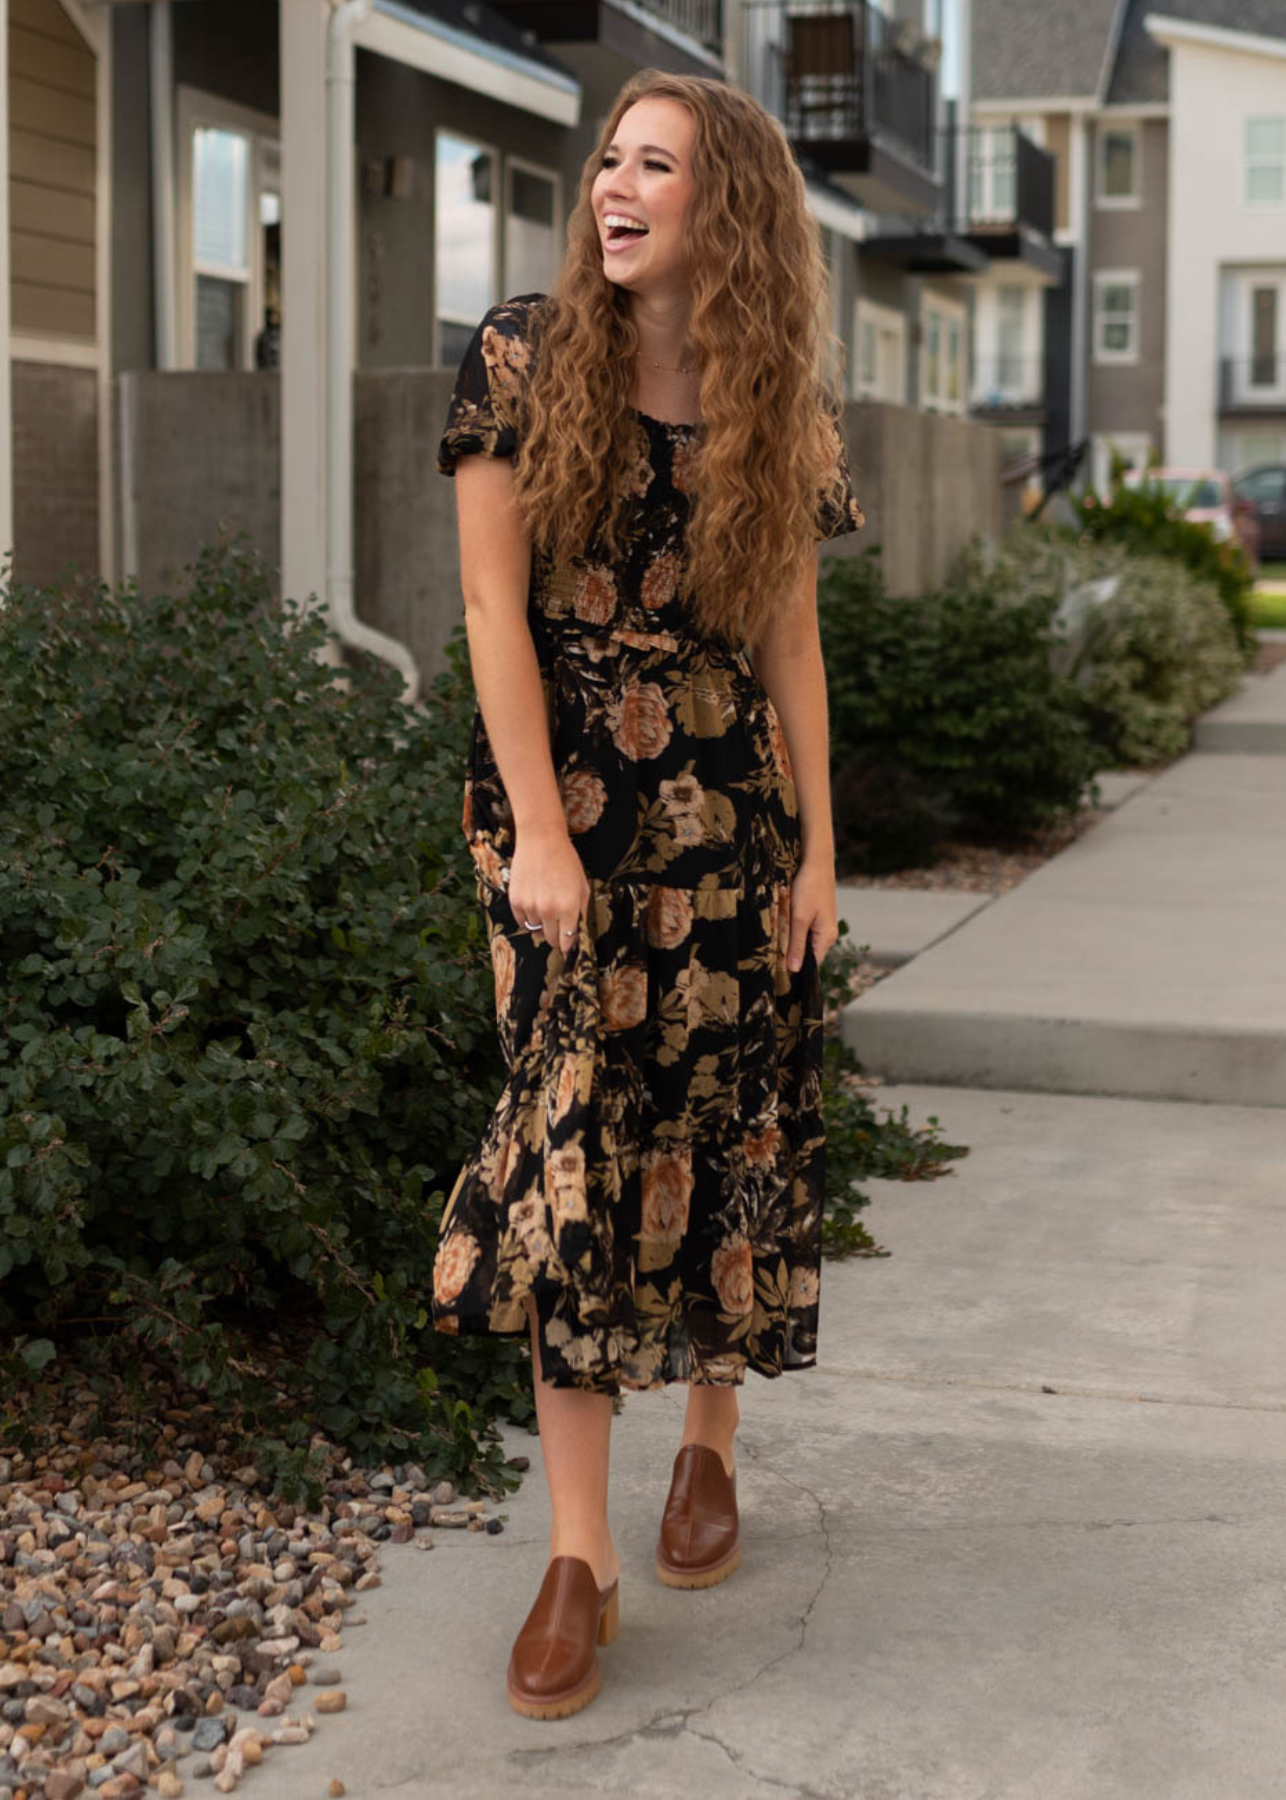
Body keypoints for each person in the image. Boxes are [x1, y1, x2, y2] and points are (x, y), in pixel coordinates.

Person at [432, 68, 864, 1721]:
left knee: (724, 1129)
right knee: (576, 1149)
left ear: (726, 205)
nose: (614, 187)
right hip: (570, 827)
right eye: (606, 159)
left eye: (655, 166)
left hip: (733, 824)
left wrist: (821, 849)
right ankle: (574, 1555)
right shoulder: (521, 358)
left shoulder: (779, 404)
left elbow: (790, 646)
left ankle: (707, 1440)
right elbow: (488, 615)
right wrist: (537, 834)